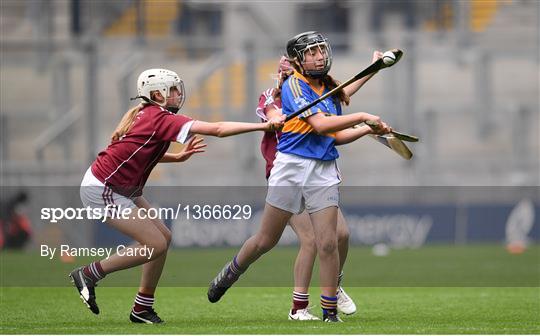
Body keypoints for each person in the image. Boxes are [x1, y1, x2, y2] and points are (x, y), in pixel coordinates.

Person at [70, 68, 284, 324]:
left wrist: (177, 156)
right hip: (103, 188)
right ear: (157, 94)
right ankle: (89, 274)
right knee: (154, 244)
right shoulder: (160, 118)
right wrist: (264, 125)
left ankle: (142, 307)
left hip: (122, 186)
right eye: (171, 89)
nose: (177, 93)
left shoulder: (150, 115)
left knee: (164, 237)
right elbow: (217, 129)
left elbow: (141, 152)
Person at [208, 32, 391, 322]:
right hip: (288, 169)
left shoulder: (325, 89)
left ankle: (326, 309)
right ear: (293, 62)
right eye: (311, 52)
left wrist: (368, 117)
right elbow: (317, 123)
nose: (319, 56)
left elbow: (337, 119)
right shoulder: (286, 89)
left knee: (328, 241)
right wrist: (363, 118)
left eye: (321, 50)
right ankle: (233, 271)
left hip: (322, 169)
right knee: (268, 240)